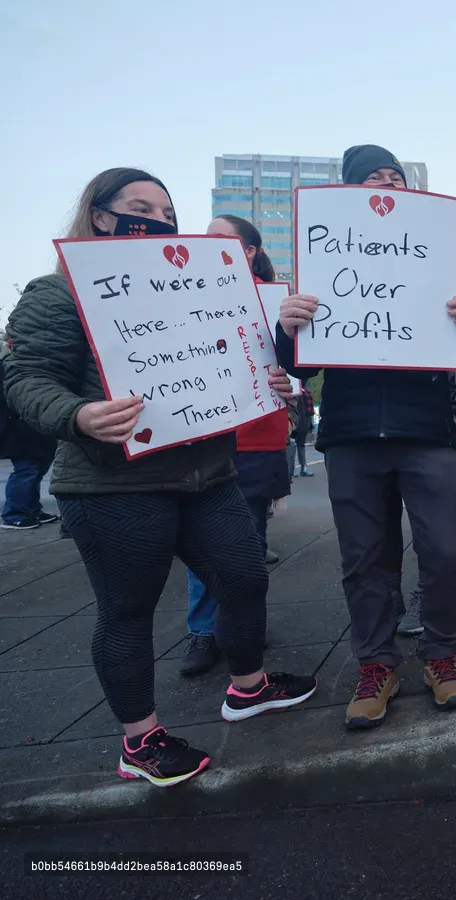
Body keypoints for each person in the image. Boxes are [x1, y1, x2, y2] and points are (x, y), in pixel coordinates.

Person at [3, 167, 315, 786]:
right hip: (113, 485)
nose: (160, 220)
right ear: (99, 214)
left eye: (168, 212)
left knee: (245, 574)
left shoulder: (203, 286)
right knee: (128, 609)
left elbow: (242, 358)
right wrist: (78, 415)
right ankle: (138, 740)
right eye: (140, 206)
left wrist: (269, 381)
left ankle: (248, 688)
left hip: (209, 473)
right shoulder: (58, 291)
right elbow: (23, 377)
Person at [276, 144, 456, 728]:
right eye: (374, 177)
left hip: (425, 434)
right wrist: (288, 323)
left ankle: (441, 655)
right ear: (348, 192)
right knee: (365, 559)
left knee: (446, 553)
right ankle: (377, 663)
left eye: (397, 177)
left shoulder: (440, 265)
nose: (388, 184)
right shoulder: (322, 265)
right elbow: (298, 367)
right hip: (351, 436)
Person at [179, 215, 293, 676]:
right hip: (201, 436)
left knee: (248, 540)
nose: (204, 245)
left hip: (258, 436)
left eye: (218, 239)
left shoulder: (277, 298)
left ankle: (242, 625)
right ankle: (204, 631)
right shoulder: (178, 294)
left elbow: (296, 361)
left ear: (248, 251)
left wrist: (294, 376)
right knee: (201, 541)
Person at [1, 335, 60, 530]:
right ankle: (14, 514)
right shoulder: (8, 366)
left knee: (36, 469)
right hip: (17, 427)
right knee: (26, 469)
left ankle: (31, 509)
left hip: (29, 427)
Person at [293, 383, 315, 477]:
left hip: (297, 422)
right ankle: (302, 468)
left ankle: (294, 469)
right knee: (299, 445)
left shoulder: (296, 391)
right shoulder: (305, 392)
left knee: (294, 445)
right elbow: (310, 411)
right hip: (301, 423)